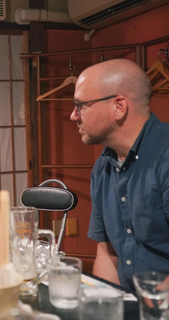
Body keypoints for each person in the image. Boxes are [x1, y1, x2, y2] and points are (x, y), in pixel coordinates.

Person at [70, 58, 169, 290]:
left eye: (81, 105)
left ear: (119, 106)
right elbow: (108, 253)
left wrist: (148, 308)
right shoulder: (102, 167)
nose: (74, 116)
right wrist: (104, 307)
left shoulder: (164, 158)